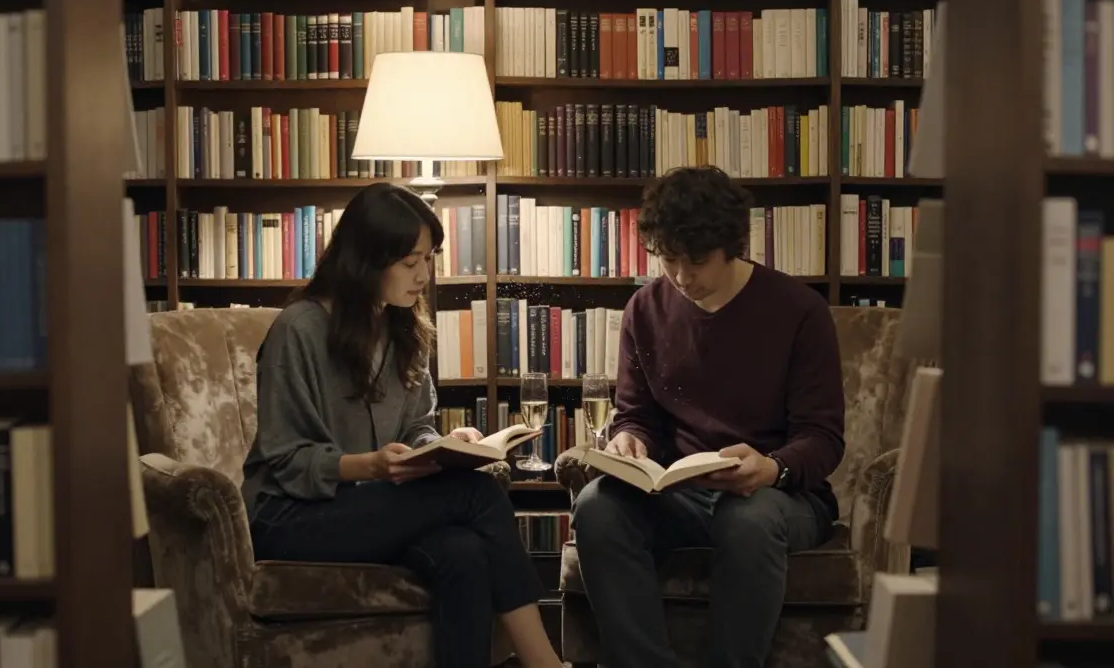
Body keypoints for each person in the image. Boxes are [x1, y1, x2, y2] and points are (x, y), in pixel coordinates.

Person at [240, 183, 563, 668]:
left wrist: (443, 445)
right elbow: (286, 460)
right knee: (478, 495)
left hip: (367, 509)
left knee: (464, 553)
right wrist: (370, 466)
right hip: (290, 516)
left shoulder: (405, 329)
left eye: (429, 259)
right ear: (368, 259)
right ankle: (545, 662)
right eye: (410, 262)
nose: (424, 275)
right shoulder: (299, 330)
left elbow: (416, 428)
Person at [572, 166, 845, 668]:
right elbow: (637, 415)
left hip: (782, 496)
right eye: (669, 260)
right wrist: (629, 440)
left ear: (731, 245)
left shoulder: (799, 310)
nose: (681, 277)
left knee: (749, 517)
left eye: (696, 261)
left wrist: (772, 467)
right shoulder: (645, 309)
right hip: (680, 492)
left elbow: (823, 436)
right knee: (597, 506)